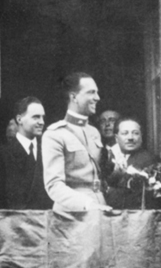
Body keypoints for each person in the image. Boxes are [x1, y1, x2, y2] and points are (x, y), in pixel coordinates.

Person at [42, 72, 111, 214]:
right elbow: (54, 186)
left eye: (97, 92)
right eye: (91, 92)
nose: (97, 98)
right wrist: (88, 204)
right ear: (74, 97)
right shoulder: (54, 134)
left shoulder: (94, 132)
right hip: (71, 214)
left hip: (100, 209)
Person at [0, 96, 52, 209]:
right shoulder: (1, 155)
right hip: (13, 219)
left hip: (44, 218)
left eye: (43, 117)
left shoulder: (48, 152)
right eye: (36, 117)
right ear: (19, 119)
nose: (42, 122)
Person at [105, 117, 159, 209]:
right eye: (125, 133)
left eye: (135, 133)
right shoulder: (108, 157)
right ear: (116, 138)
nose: (130, 138)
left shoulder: (149, 160)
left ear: (141, 137)